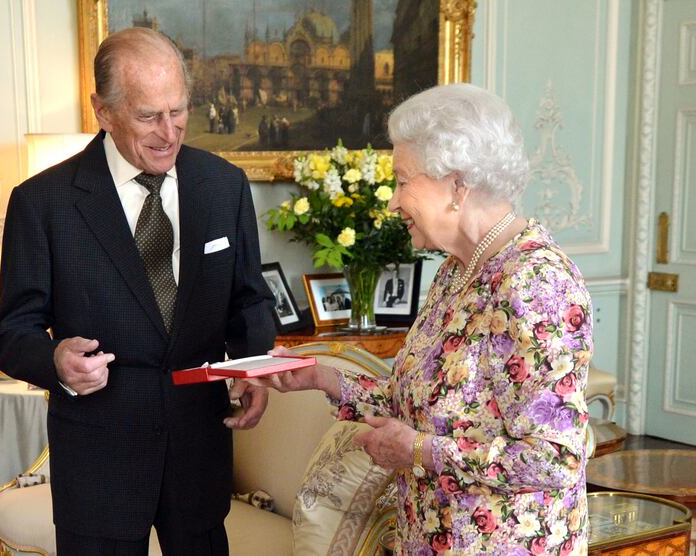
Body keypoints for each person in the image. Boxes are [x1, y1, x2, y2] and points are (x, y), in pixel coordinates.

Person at [252, 84, 591, 554]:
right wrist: (319, 377)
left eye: (403, 180)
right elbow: (415, 401)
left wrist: (417, 450)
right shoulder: (457, 270)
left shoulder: (537, 285)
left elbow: (554, 460)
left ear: (457, 185)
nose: (392, 201)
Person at [0, 27, 275, 555]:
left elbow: (249, 298)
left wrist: (254, 366)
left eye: (179, 111)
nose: (169, 133)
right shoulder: (43, 202)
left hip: (199, 452)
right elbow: (11, 334)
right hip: (100, 463)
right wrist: (55, 359)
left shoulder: (223, 185)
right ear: (103, 111)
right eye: (148, 116)